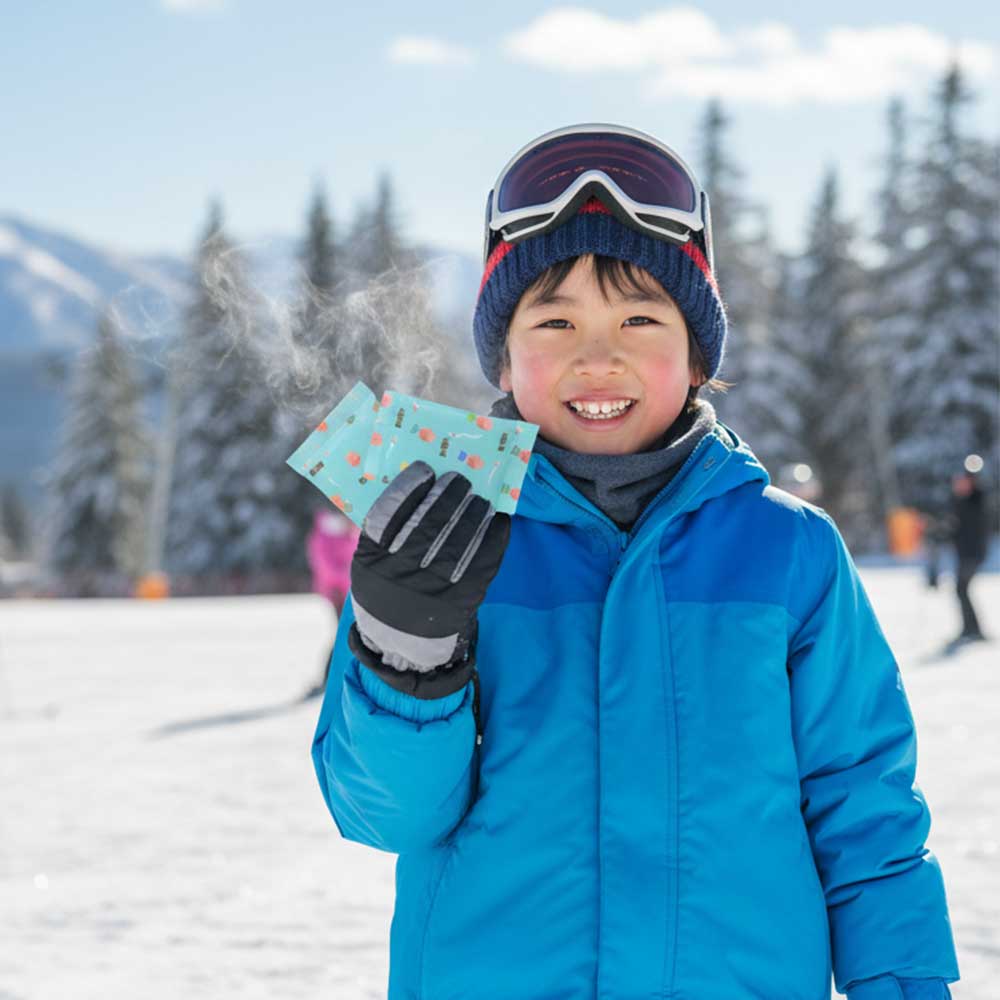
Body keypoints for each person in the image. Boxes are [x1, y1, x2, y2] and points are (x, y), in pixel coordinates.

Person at [311, 124, 959, 999]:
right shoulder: (441, 543)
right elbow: (385, 813)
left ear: (698, 355)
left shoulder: (790, 553)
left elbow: (864, 809)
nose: (597, 354)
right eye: (556, 320)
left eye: (640, 318)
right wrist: (403, 658)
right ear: (503, 357)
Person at [304, 507, 359, 698]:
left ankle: (339, 677)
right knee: (344, 634)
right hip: (337, 593)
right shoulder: (326, 534)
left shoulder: (351, 532)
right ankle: (329, 678)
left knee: (351, 634)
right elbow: (324, 566)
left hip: (354, 593)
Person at [949, 467, 988, 642]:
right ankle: (970, 628)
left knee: (961, 588)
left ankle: (972, 629)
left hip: (972, 553)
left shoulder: (975, 500)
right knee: (961, 589)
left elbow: (964, 527)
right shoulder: (963, 501)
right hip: (966, 553)